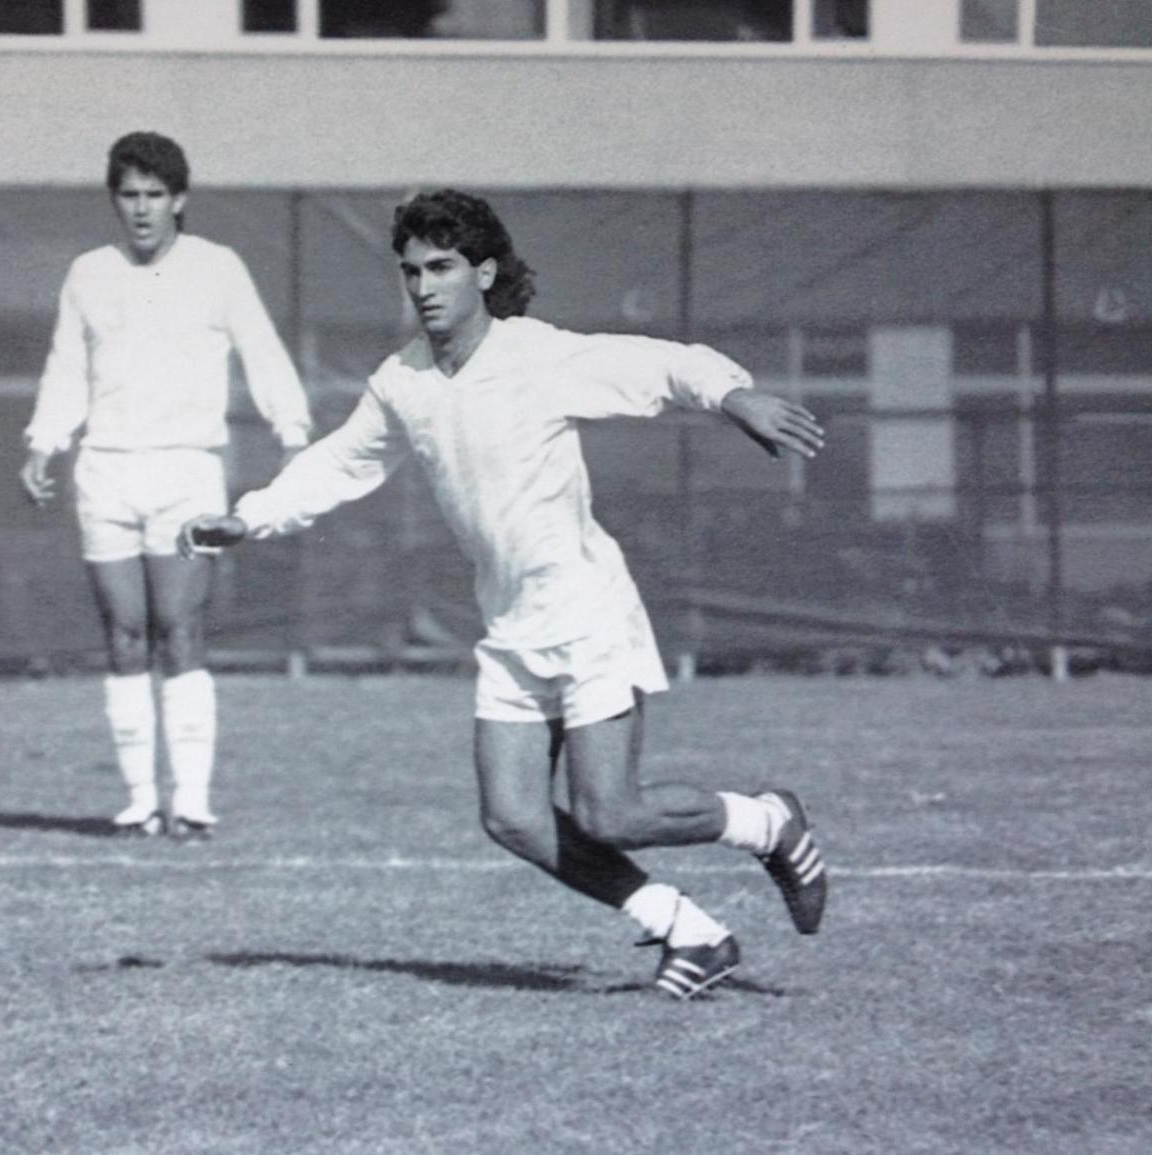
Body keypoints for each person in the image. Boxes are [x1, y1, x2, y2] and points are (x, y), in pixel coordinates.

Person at [181, 190, 828, 998]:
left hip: (587, 607)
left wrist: (735, 397)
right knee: (514, 816)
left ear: (483, 273)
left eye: (442, 268)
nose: (424, 286)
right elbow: (343, 461)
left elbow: (661, 365)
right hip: (512, 622)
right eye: (412, 270)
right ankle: (690, 931)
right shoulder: (403, 380)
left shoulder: (538, 355)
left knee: (610, 813)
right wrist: (250, 518)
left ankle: (771, 821)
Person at [20, 131, 313, 840]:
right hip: (107, 473)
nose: (143, 209)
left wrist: (294, 433)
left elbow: (262, 351)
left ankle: (191, 800)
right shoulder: (88, 272)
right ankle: (138, 801)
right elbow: (67, 367)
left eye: (156, 194)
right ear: (115, 200)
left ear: (179, 199)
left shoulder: (218, 268)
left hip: (188, 473)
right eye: (130, 195)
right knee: (124, 636)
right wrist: (43, 441)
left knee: (180, 631)